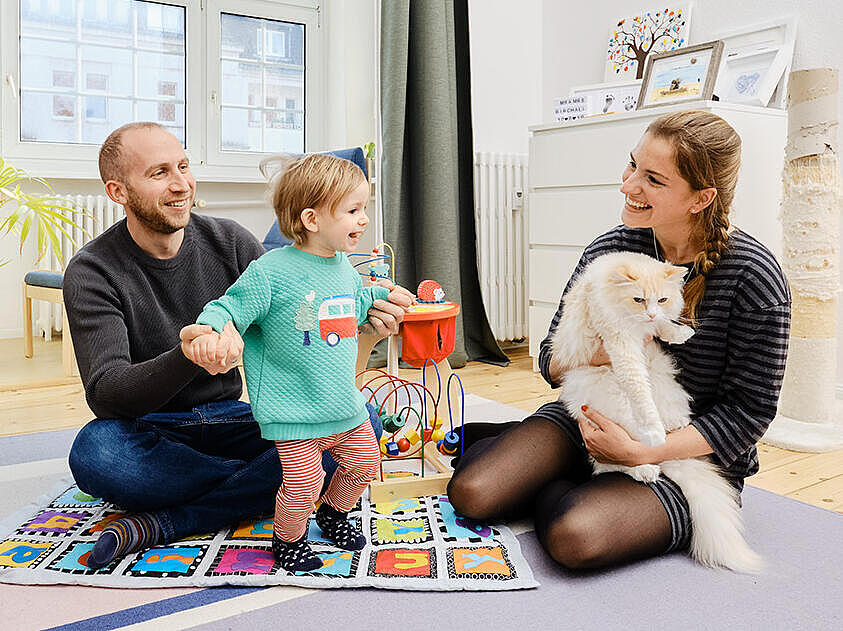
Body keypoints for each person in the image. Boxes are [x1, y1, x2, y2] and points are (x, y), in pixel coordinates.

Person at [447, 110, 791, 569]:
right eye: (632, 166)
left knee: (575, 536)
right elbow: (549, 358)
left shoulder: (754, 279)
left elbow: (749, 413)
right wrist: (604, 354)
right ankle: (557, 459)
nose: (628, 186)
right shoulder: (612, 251)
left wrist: (644, 450)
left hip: (681, 449)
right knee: (472, 492)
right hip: (592, 413)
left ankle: (556, 473)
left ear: (700, 198)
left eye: (653, 179)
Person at [63, 122, 413, 570]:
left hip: (235, 417)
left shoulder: (229, 241)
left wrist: (363, 328)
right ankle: (268, 487)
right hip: (153, 429)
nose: (181, 184)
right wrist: (189, 354)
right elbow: (108, 394)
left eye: (184, 167)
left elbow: (306, 341)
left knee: (360, 422)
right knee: (98, 454)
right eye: (159, 173)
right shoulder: (93, 270)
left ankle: (166, 522)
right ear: (118, 191)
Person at [185, 153, 398, 571]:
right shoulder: (270, 272)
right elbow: (228, 307)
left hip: (342, 402)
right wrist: (211, 329)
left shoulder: (342, 266)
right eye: (354, 211)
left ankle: (333, 513)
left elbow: (349, 308)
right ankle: (289, 539)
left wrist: (379, 297)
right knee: (303, 483)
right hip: (294, 407)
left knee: (365, 462)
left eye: (364, 209)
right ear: (313, 220)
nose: (365, 220)